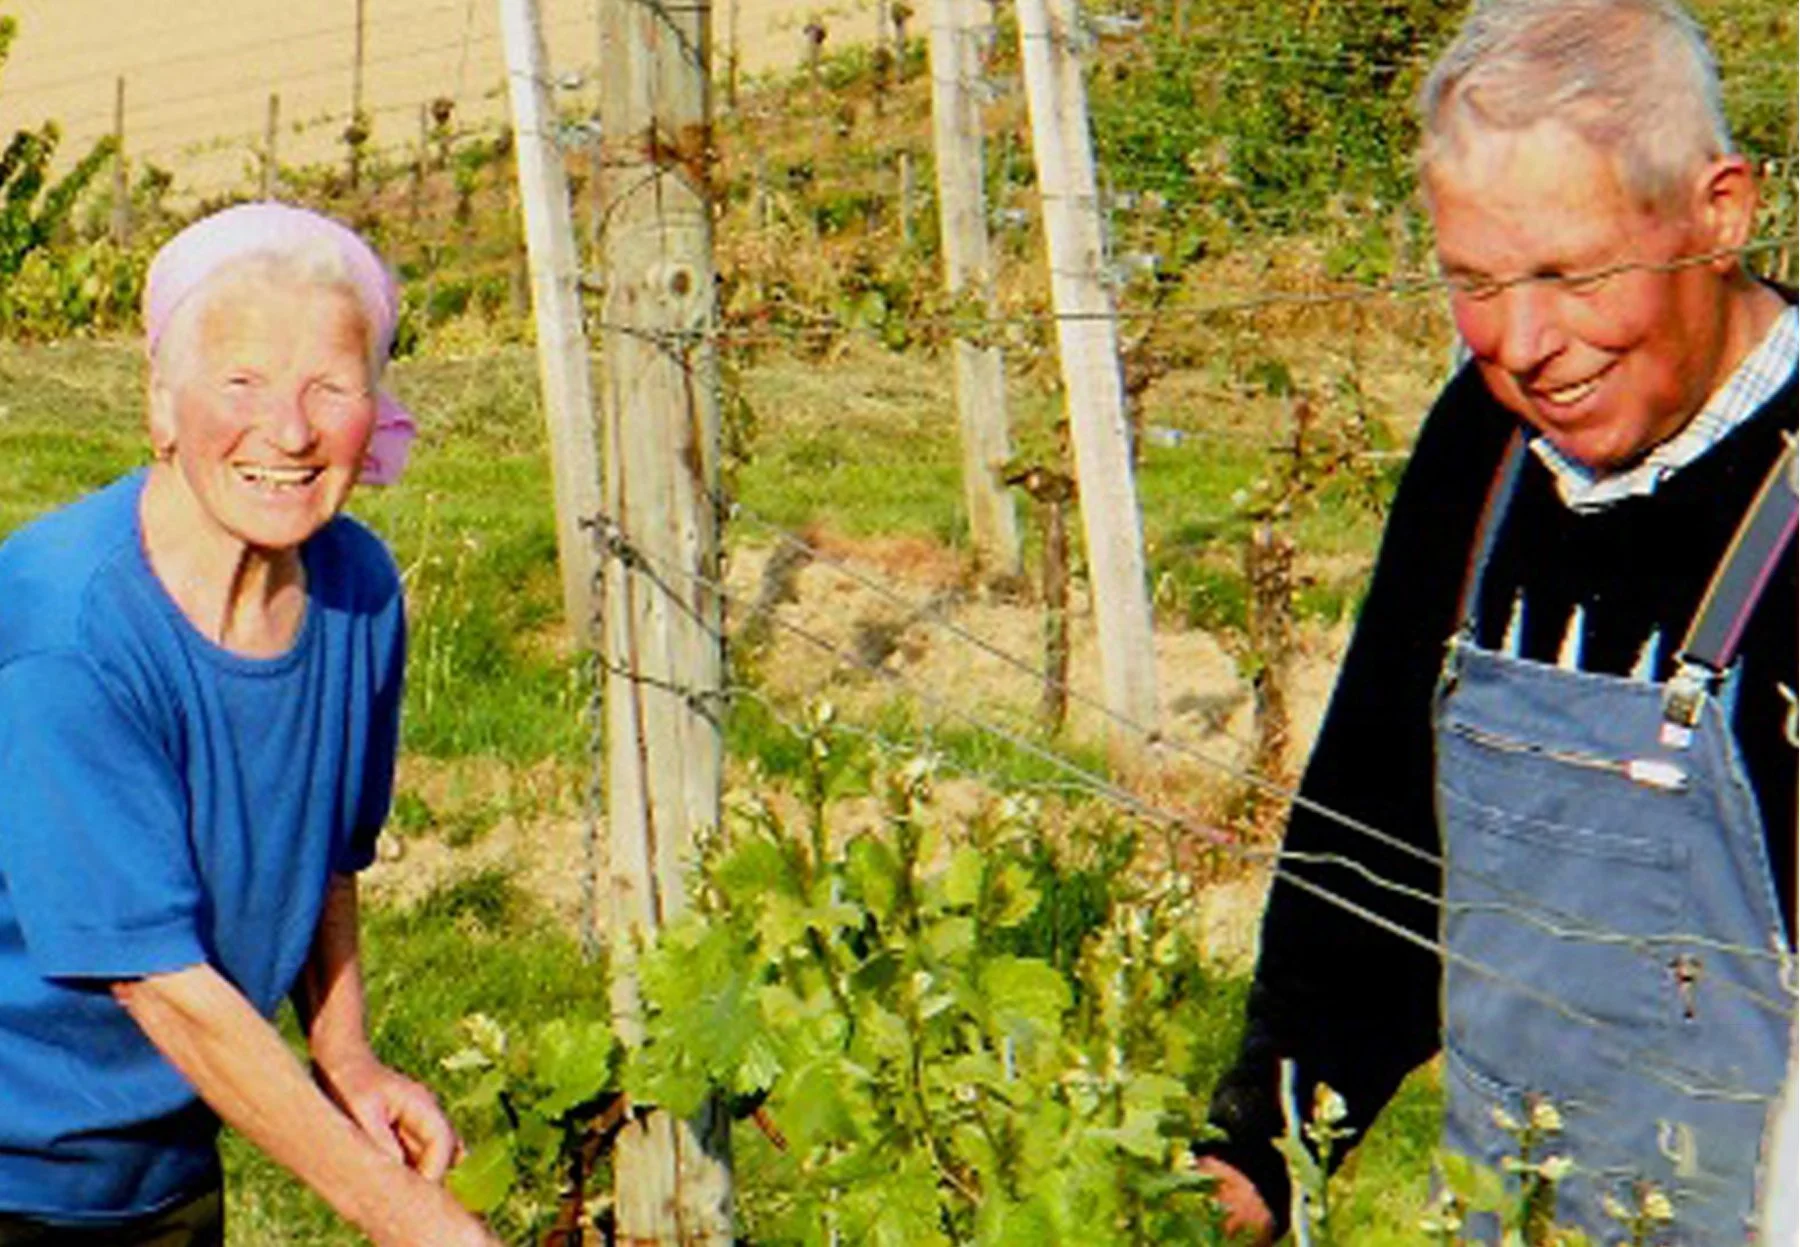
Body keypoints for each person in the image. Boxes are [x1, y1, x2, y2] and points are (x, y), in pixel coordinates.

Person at [1192, 1, 1796, 1242]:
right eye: (1474, 282)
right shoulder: (1486, 452)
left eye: (1571, 273)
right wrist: (1264, 1139)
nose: (1524, 343)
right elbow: (1374, 826)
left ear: (1719, 212)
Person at [0, 203, 501, 1245]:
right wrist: (411, 1215)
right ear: (162, 404)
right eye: (243, 382)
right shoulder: (66, 630)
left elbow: (326, 855)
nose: (289, 430)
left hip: (171, 1143)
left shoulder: (357, 589)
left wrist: (346, 1051)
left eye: (331, 385)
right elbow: (164, 986)